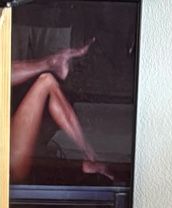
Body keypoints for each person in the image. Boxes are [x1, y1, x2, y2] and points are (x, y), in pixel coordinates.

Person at [10, 39, 114, 184]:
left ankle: (89, 155)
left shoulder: (59, 97)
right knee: (46, 80)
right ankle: (89, 155)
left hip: (9, 164)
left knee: (46, 81)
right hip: (0, 150)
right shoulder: (32, 82)